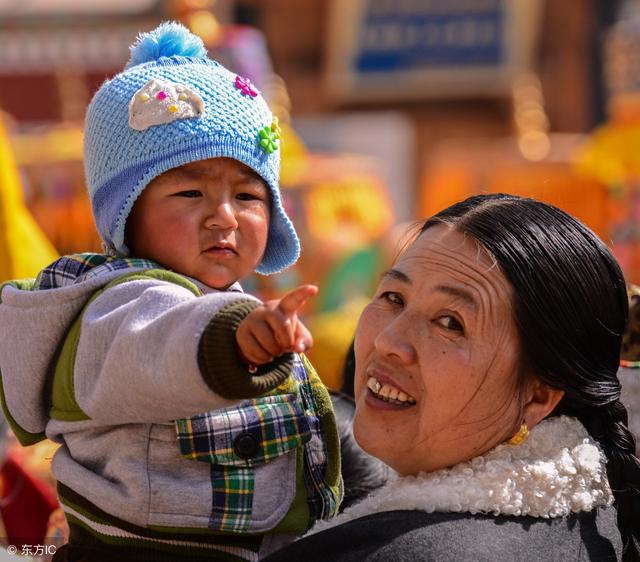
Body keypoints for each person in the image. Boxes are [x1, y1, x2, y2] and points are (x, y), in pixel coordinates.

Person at [0, 22, 342, 562]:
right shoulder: (117, 304)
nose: (224, 216)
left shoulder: (236, 300)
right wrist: (237, 341)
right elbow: (156, 343)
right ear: (126, 213)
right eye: (189, 192)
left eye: (249, 195)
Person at [264, 193, 640, 562]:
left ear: (538, 397)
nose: (388, 341)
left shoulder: (405, 551)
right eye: (394, 297)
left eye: (450, 324)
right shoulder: (590, 529)